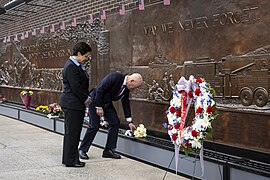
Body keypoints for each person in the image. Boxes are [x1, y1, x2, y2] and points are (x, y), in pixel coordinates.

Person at [79, 72, 143, 159]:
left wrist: (129, 121)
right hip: (95, 100)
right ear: (131, 81)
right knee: (94, 125)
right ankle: (82, 150)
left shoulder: (126, 88)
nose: (134, 90)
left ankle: (108, 150)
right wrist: (98, 107)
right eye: (135, 87)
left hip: (107, 103)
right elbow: (99, 90)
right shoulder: (115, 77)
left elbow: (125, 103)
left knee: (115, 123)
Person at [59, 42, 92, 168]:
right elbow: (76, 87)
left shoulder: (75, 65)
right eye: (86, 56)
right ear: (79, 53)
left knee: (73, 133)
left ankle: (71, 159)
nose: (87, 58)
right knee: (72, 133)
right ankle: (71, 160)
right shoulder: (72, 66)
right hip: (73, 104)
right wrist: (87, 99)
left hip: (74, 104)